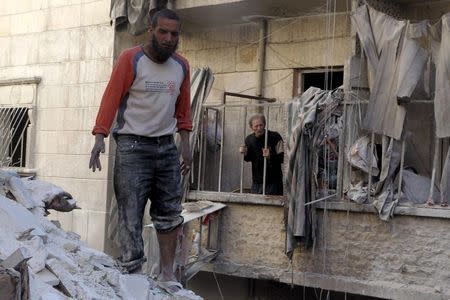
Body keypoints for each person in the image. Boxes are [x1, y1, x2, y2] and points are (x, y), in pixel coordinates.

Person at [88, 8, 191, 294]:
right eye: (163, 32)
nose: (169, 38)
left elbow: (184, 111)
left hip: (167, 148)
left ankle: (168, 274)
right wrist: (100, 136)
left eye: (174, 34)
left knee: (170, 213)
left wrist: (187, 146)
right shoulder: (130, 59)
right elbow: (111, 98)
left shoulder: (181, 65)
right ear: (151, 30)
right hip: (133, 147)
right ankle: (132, 271)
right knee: (130, 212)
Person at [239, 113, 284, 195]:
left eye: (261, 125)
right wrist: (244, 153)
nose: (259, 128)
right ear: (251, 127)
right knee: (256, 206)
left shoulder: (275, 137)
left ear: (265, 124)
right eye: (256, 126)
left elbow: (283, 158)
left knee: (273, 206)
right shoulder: (249, 140)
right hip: (257, 181)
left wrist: (271, 156)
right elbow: (248, 158)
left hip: (274, 181)